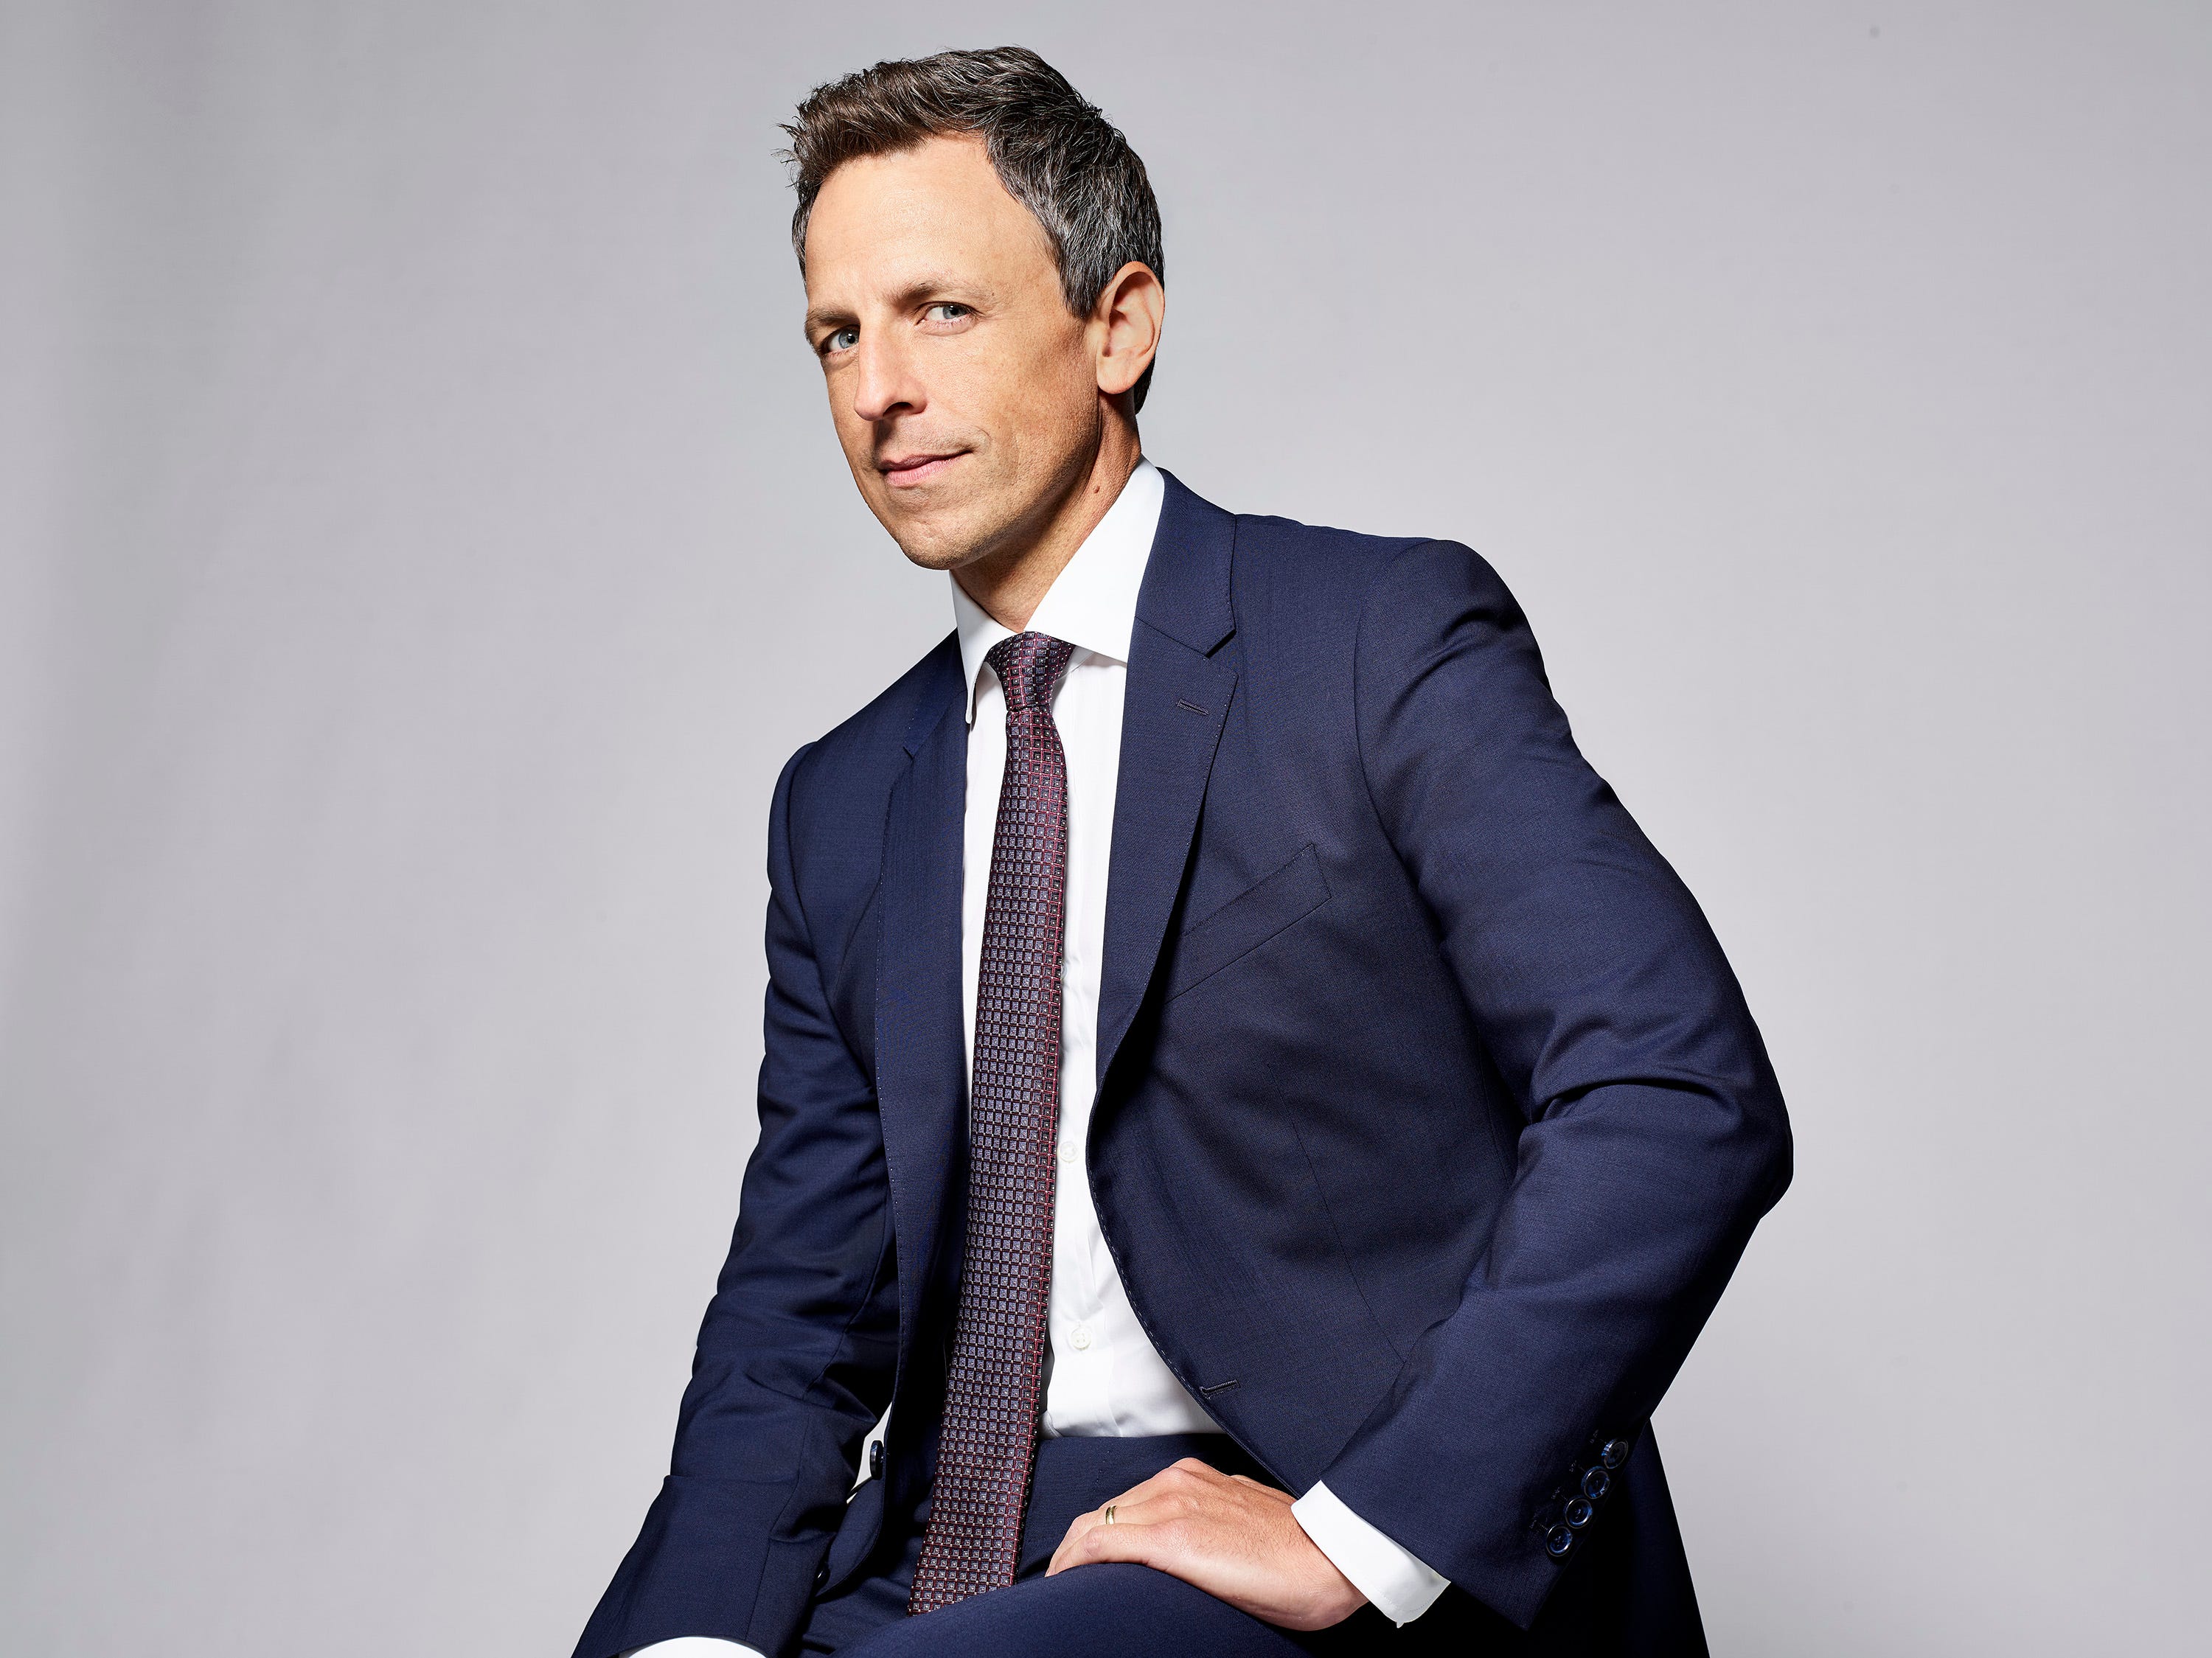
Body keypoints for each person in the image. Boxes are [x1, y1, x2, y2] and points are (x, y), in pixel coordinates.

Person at [574, 45, 1789, 1658]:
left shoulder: (1371, 644)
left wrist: (1360, 1532)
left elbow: (1674, 1089)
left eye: (941, 310)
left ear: (1119, 326)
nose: (878, 389)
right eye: (838, 334)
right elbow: (798, 1320)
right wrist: (694, 1640)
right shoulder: (844, 802)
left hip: (1298, 1525)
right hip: (941, 1554)